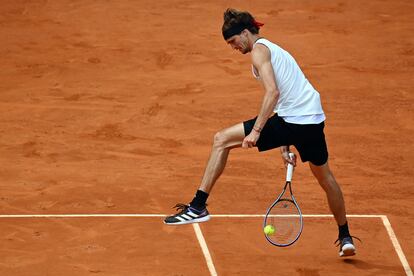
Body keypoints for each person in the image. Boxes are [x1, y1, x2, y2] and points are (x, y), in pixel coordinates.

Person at [164, 8, 358, 257]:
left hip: (293, 121)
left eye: (233, 41)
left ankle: (198, 207)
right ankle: (345, 236)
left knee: (221, 140)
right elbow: (286, 98)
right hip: (312, 120)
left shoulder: (258, 51)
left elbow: (273, 93)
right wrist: (285, 145)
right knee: (325, 178)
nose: (233, 47)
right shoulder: (274, 50)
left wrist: (256, 131)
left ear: (245, 33)